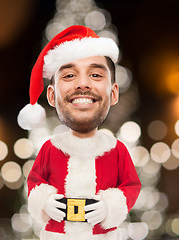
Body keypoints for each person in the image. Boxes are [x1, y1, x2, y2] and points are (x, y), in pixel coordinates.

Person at [18, 25, 141, 240]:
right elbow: (35, 182)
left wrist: (110, 206)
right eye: (69, 75)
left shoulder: (116, 150)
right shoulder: (50, 149)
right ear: (51, 96)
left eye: (95, 74)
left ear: (113, 94)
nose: (82, 84)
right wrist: (44, 201)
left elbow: (131, 186)